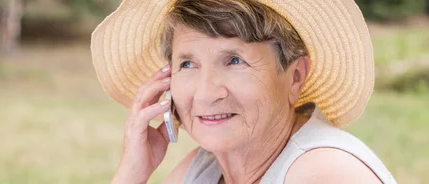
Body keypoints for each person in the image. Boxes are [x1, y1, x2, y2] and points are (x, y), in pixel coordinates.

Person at [90, 0, 397, 183]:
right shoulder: (204, 168)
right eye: (187, 64)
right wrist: (131, 173)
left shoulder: (323, 172)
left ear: (295, 77)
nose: (206, 93)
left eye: (234, 60)